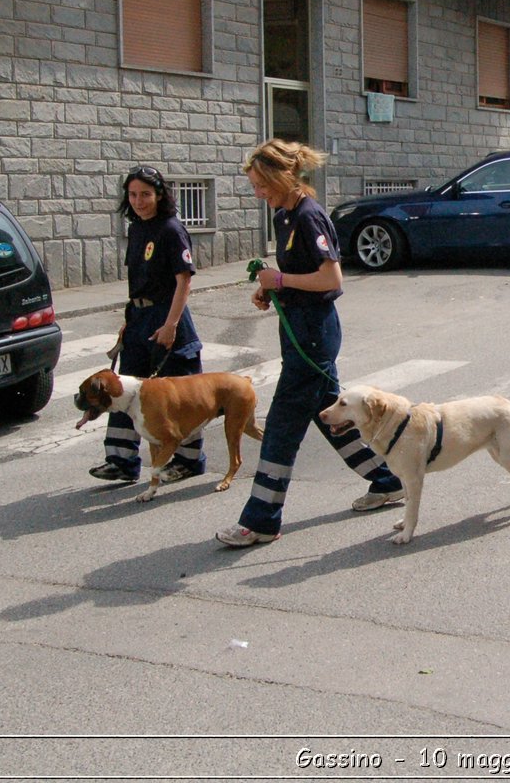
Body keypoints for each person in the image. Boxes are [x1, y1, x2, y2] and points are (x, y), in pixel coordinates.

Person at [217, 139, 405, 548]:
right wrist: (272, 291)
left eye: (260, 185)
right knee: (331, 418)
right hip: (298, 330)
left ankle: (261, 520)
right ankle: (390, 481)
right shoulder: (283, 215)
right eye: (254, 187)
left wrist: (280, 281)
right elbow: (298, 275)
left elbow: (331, 280)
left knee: (282, 427)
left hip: (314, 336)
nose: (257, 194)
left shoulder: (308, 215)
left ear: (281, 176)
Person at [90, 166, 207, 485]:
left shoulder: (171, 229)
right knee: (125, 390)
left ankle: (189, 460)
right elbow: (138, 280)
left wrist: (170, 325)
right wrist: (128, 323)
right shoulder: (137, 228)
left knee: (180, 395)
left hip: (167, 318)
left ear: (159, 195)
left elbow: (183, 281)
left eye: (145, 194)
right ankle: (121, 460)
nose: (139, 201)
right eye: (133, 195)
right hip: (139, 320)